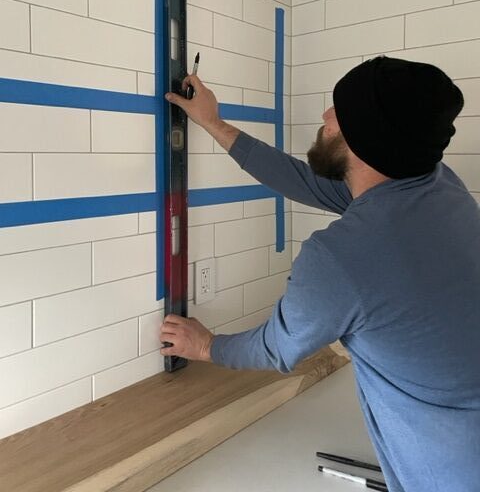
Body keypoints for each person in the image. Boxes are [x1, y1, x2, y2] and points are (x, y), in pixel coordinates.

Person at [159, 55, 480, 492]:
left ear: (366, 140)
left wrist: (206, 345)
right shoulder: (439, 186)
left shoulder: (343, 259)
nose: (326, 116)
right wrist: (215, 123)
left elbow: (276, 348)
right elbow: (302, 180)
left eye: (339, 112)